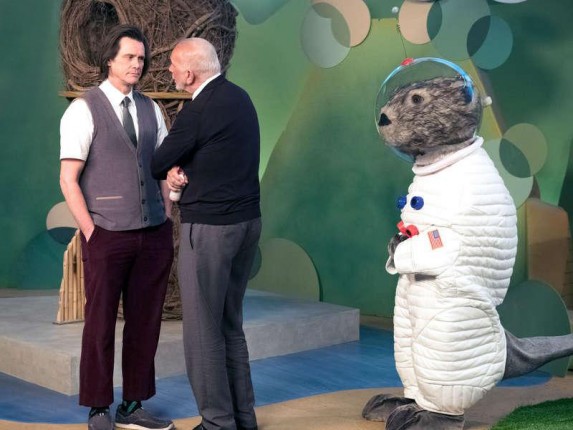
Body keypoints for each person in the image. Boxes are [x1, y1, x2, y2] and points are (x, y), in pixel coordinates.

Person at [59, 25, 174, 430]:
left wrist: (167, 211)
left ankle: (133, 406)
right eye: (129, 57)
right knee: (100, 323)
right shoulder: (84, 109)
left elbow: (162, 166)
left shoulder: (151, 109)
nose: (137, 64)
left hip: (153, 233)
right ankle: (98, 407)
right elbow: (68, 178)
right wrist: (91, 232)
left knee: (145, 323)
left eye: (141, 58)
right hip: (106, 234)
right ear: (110, 59)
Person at [151, 38, 261, 430]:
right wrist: (188, 166)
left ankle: (216, 423)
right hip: (247, 225)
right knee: (230, 323)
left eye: (172, 64)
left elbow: (158, 161)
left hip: (211, 230)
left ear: (189, 72)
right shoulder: (240, 98)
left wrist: (174, 168)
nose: (169, 70)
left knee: (202, 330)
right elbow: (220, 155)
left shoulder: (198, 110)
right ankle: (243, 418)